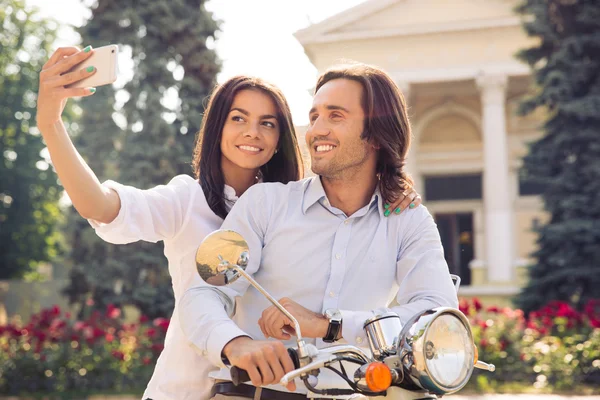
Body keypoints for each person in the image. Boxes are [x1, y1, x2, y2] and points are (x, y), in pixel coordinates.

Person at [36, 47, 421, 400]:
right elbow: (102, 207)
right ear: (217, 126)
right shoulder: (186, 200)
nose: (252, 132)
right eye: (239, 118)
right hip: (186, 389)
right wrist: (51, 123)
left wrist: (392, 186)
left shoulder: (293, 208)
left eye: (267, 123)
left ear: (280, 138)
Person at [179, 62, 458, 400]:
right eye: (314, 117)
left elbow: (435, 313)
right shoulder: (265, 203)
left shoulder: (408, 219)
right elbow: (203, 292)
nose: (315, 130)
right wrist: (234, 344)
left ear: (376, 134)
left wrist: (331, 325)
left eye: (335, 116)